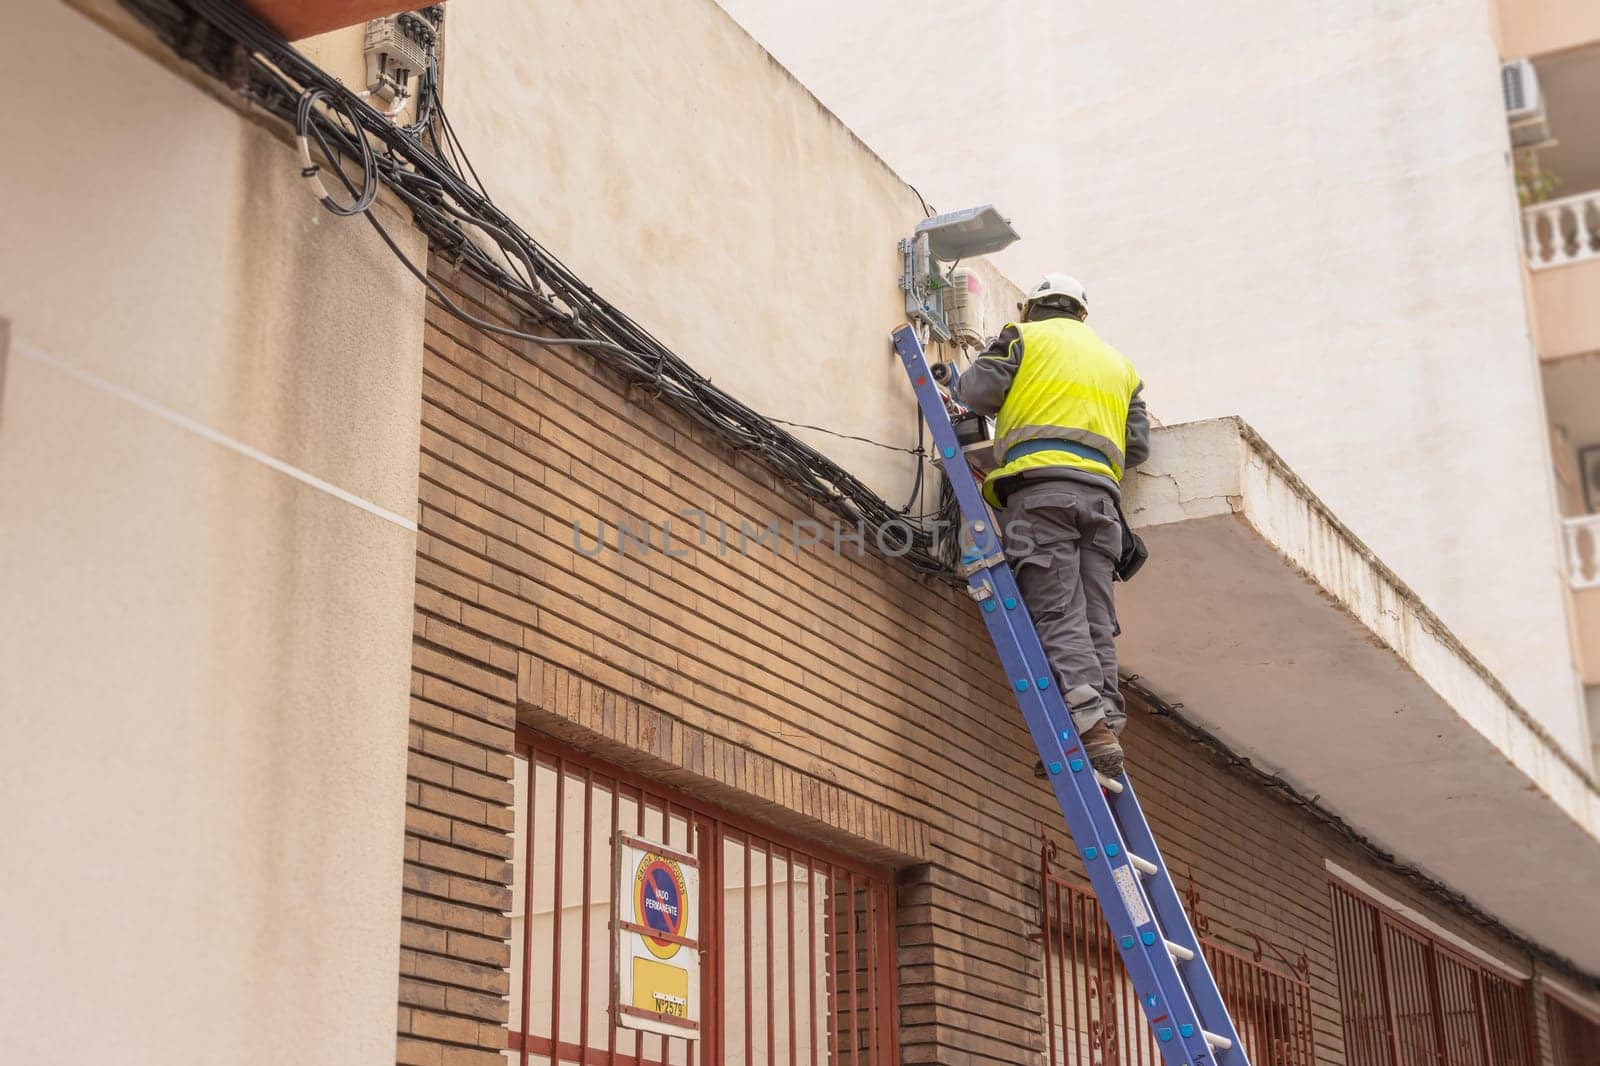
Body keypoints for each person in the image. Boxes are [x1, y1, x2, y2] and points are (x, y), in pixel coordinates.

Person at [951, 274, 1149, 776]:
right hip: (1102, 502)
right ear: (1082, 314)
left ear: (1030, 309)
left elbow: (976, 392)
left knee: (1057, 609)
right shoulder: (1121, 366)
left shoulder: (1023, 337)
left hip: (1041, 494)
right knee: (1095, 617)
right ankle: (1103, 720)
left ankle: (1088, 723)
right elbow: (1139, 446)